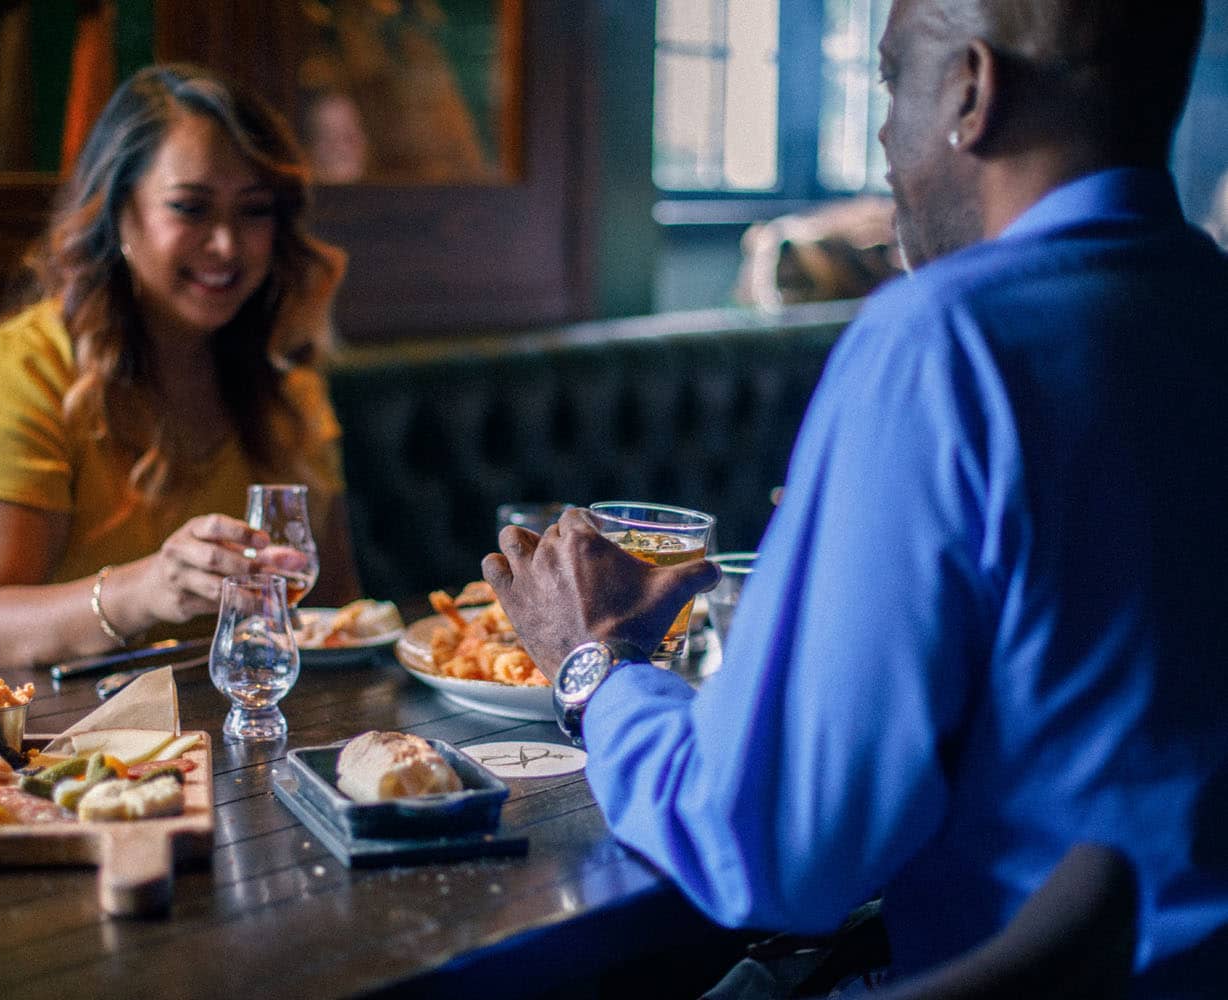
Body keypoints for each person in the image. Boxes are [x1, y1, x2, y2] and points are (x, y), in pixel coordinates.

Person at [484, 0, 1228, 992]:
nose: (883, 136)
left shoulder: (943, 341)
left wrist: (595, 661)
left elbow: (765, 854)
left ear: (970, 90)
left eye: (890, 82)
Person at [0, 63, 361, 687]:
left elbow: (333, 608)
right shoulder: (17, 367)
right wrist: (147, 589)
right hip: (1, 745)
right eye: (190, 208)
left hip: (208, 737)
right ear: (119, 212)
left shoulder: (284, 371)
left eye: (254, 212)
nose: (226, 244)